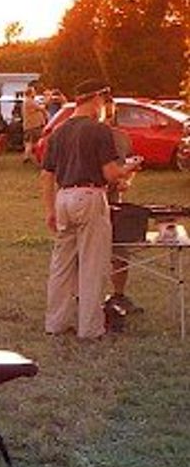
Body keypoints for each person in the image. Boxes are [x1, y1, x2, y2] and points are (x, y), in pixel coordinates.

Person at [39, 79, 139, 340]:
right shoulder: (99, 130)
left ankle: (56, 323)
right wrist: (129, 168)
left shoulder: (58, 131)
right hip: (90, 196)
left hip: (63, 197)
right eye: (104, 101)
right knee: (93, 265)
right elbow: (110, 173)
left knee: (61, 266)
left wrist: (50, 209)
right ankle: (90, 328)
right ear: (96, 100)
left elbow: (47, 175)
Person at [102, 99, 142, 315]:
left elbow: (131, 163)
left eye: (111, 115)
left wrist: (127, 180)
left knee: (120, 250)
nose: (107, 120)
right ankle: (86, 297)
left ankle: (118, 295)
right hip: (92, 198)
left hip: (115, 201)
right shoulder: (88, 136)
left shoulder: (122, 137)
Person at [22, 86, 47, 164]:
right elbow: (41, 108)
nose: (35, 93)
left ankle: (27, 157)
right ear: (30, 93)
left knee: (29, 142)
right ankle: (33, 157)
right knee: (36, 141)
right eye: (33, 91)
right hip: (33, 125)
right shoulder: (30, 101)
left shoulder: (28, 101)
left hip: (29, 125)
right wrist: (46, 101)